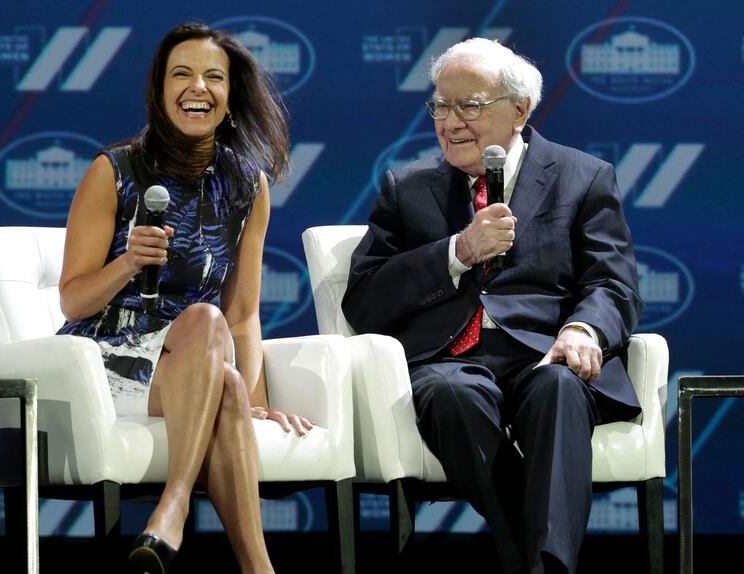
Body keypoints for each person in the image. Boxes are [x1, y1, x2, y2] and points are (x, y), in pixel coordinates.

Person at [342, 37, 643, 574]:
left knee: (559, 388)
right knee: (449, 392)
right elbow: (364, 303)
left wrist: (583, 330)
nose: (450, 120)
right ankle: (539, 562)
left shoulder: (583, 177)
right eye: (440, 105)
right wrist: (457, 252)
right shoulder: (406, 188)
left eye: (470, 105)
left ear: (520, 110)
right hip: (450, 362)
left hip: (545, 354)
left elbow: (614, 283)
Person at [57, 22, 312, 574]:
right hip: (107, 361)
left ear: (229, 97)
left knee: (215, 354)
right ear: (160, 89)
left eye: (213, 77)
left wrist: (255, 397)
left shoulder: (248, 184)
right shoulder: (115, 170)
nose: (197, 87)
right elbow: (73, 303)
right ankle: (185, 515)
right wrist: (127, 262)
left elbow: (243, 313)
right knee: (206, 329)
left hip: (198, 359)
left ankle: (202, 535)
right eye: (182, 74)